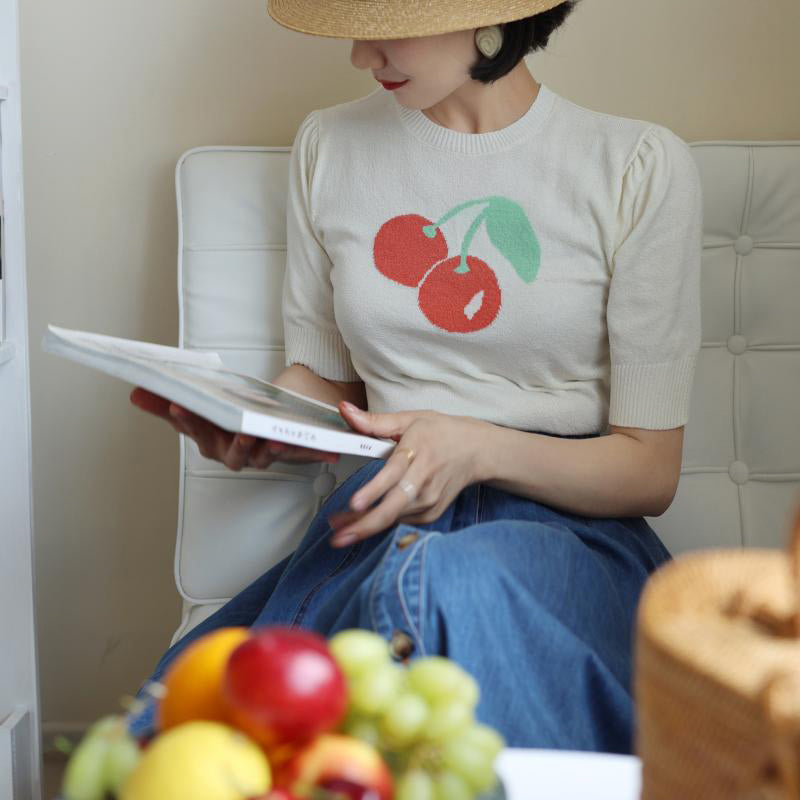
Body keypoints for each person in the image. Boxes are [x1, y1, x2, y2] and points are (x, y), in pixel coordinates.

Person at [127, 0, 703, 754]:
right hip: (379, 523)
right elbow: (331, 386)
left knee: (450, 590)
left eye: (388, 24)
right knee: (176, 732)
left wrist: (476, 448)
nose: (363, 58)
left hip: (569, 537)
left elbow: (649, 468)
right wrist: (259, 423)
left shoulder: (635, 166)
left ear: (488, 14)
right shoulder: (329, 145)